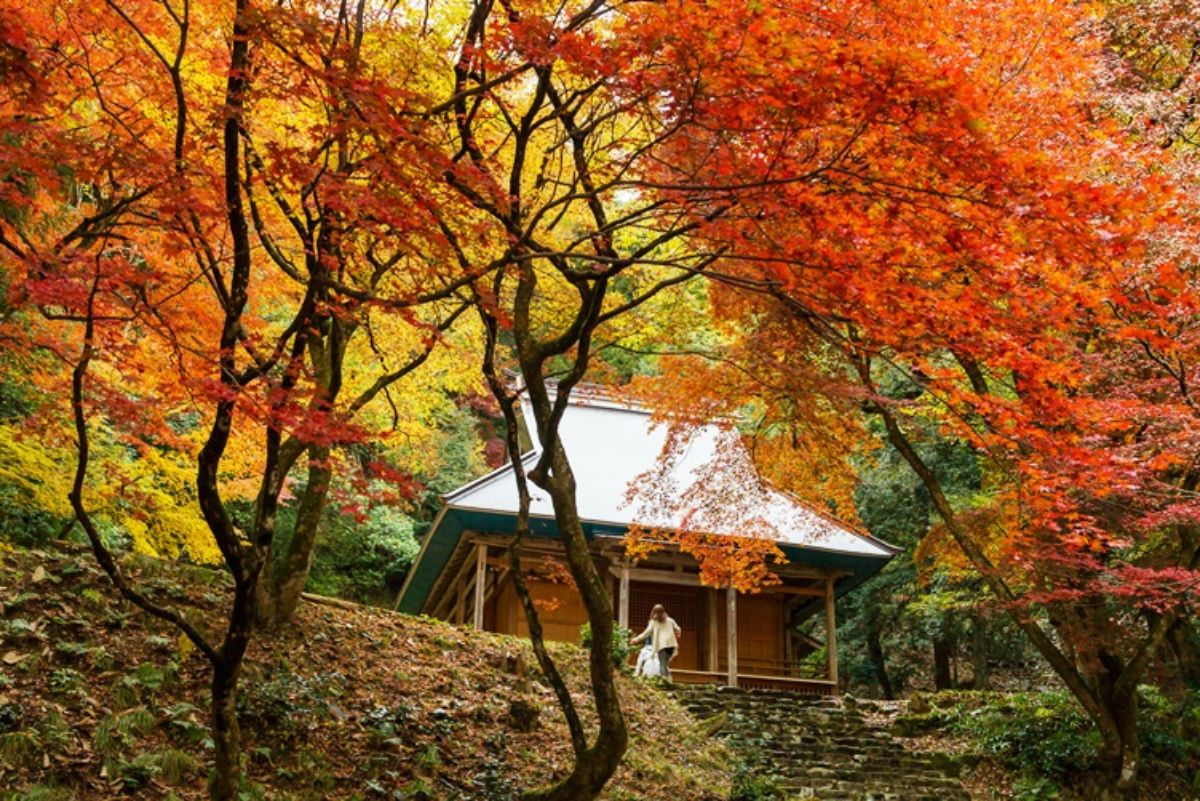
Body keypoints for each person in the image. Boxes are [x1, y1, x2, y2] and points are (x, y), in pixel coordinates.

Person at [631, 604, 681, 682]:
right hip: (671, 645)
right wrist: (678, 633)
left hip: (662, 646)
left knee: (662, 664)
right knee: (665, 664)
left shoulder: (653, 622)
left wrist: (635, 640)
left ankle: (664, 681)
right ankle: (668, 680)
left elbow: (646, 633)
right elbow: (678, 629)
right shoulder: (670, 620)